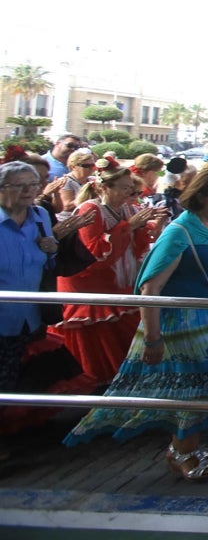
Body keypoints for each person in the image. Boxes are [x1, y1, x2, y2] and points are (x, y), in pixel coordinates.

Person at [64, 167, 208, 480]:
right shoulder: (179, 232)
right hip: (180, 323)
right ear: (200, 196)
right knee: (192, 391)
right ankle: (183, 452)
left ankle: (184, 448)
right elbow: (150, 288)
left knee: (205, 388)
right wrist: (153, 339)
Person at [0, 162, 96, 439]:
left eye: (34, 184)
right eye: (21, 185)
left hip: (30, 315)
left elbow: (48, 261)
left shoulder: (41, 215)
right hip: (3, 315)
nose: (30, 191)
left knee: (22, 377)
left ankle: (16, 431)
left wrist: (53, 248)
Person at [52, 156, 168, 383]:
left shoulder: (126, 208)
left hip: (117, 283)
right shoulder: (90, 210)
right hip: (91, 287)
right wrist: (131, 226)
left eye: (131, 189)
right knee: (104, 345)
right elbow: (94, 254)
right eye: (124, 189)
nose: (129, 193)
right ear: (104, 187)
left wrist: (150, 225)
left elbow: (140, 242)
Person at [57, 148, 97, 214]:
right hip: (69, 220)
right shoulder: (66, 181)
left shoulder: (92, 179)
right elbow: (66, 206)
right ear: (74, 167)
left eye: (92, 165)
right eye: (86, 165)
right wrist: (89, 196)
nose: (91, 168)